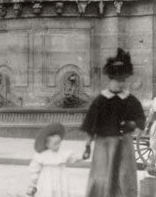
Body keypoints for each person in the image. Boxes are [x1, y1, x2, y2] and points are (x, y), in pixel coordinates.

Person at [81, 48, 146, 197]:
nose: (121, 84)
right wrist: (87, 146)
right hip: (104, 145)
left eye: (123, 80)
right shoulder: (100, 101)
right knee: (102, 176)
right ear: (110, 79)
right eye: (118, 80)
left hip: (124, 145)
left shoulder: (130, 100)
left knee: (124, 176)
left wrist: (133, 124)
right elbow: (90, 125)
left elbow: (140, 119)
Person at [26, 123, 85, 197]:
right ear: (47, 144)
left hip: (60, 177)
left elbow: (71, 159)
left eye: (59, 143)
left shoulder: (62, 153)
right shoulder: (42, 155)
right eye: (55, 144)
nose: (58, 146)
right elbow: (35, 168)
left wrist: (81, 157)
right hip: (47, 178)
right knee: (47, 192)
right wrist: (34, 180)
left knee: (60, 192)